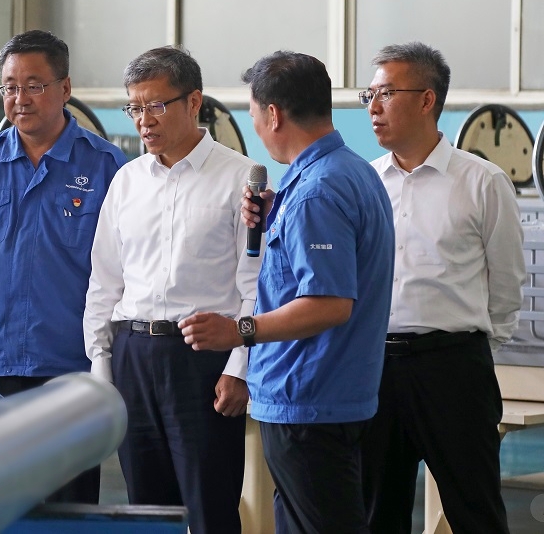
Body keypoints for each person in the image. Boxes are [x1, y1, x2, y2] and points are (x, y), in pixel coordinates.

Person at [180, 50, 395, 533]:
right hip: (330, 397)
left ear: (274, 114)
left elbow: (329, 304)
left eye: (254, 115)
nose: (256, 127)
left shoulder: (318, 191)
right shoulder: (349, 171)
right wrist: (281, 211)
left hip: (309, 399)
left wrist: (238, 330)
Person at [0, 30, 126, 504]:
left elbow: (124, 270)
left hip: (73, 366)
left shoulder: (107, 167)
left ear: (65, 88)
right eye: (10, 87)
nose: (20, 99)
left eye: (34, 86)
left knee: (70, 504)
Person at [83, 46, 261, 534]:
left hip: (201, 360)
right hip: (133, 356)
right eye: (135, 107)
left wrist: (239, 368)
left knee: (210, 511)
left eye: (156, 105)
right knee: (146, 512)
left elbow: (256, 285)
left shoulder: (237, 178)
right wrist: (101, 365)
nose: (144, 120)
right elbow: (104, 281)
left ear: (193, 102)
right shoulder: (126, 181)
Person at [358, 42, 525, 534]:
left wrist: (469, 350)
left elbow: (507, 283)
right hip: (374, 370)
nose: (373, 107)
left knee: (475, 511)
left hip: (453, 371)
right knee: (375, 514)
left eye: (386, 93)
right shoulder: (365, 182)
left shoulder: (483, 182)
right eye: (369, 94)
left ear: (427, 100)